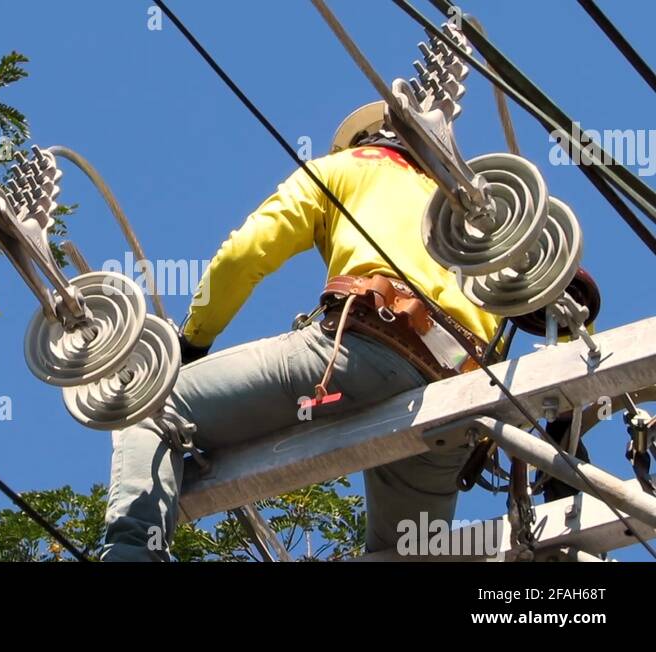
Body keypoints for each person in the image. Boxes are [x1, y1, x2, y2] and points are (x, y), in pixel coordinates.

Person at [99, 101, 502, 561]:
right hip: (456, 397)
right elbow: (561, 294)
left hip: (365, 348)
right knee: (405, 552)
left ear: (364, 141)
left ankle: (131, 553)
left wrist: (192, 342)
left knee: (153, 405)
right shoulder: (472, 214)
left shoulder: (344, 168)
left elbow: (244, 255)